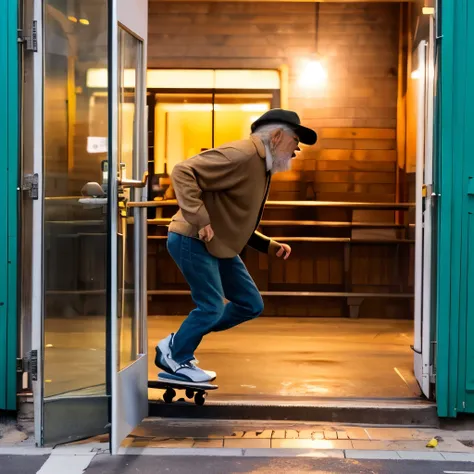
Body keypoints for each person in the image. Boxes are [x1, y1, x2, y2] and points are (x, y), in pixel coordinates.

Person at [155, 109, 317, 383]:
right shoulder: (241, 154)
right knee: (211, 307)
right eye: (295, 141)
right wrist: (200, 218)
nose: (297, 150)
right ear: (277, 137)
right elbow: (182, 171)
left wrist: (267, 245)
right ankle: (176, 354)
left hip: (218, 244)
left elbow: (232, 217)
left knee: (250, 304)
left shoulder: (261, 164)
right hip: (192, 238)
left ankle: (177, 343)